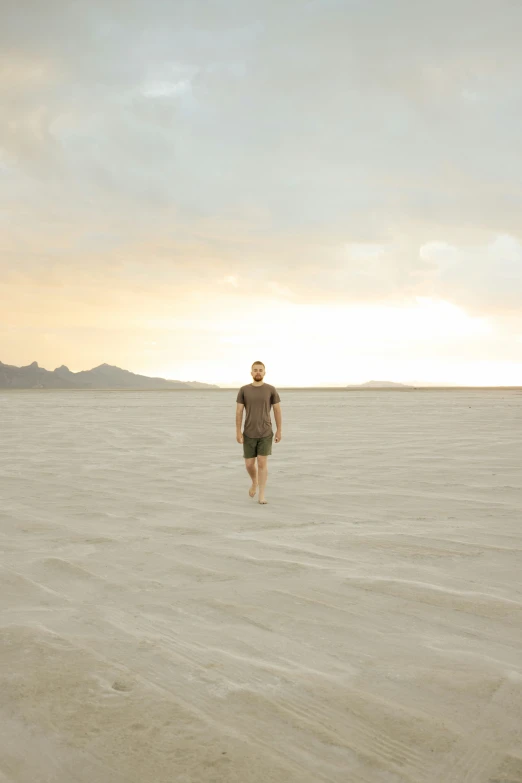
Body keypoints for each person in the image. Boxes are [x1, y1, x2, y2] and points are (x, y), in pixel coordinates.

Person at [236, 361, 282, 504]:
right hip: (249, 432)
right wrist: (238, 431)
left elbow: (277, 410)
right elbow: (239, 411)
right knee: (249, 464)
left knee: (262, 463)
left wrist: (279, 430)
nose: (258, 372)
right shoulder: (244, 390)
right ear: (251, 373)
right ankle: (254, 482)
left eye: (260, 370)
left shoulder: (271, 390)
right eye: (255, 370)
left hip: (265, 432)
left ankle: (261, 495)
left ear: (264, 372)